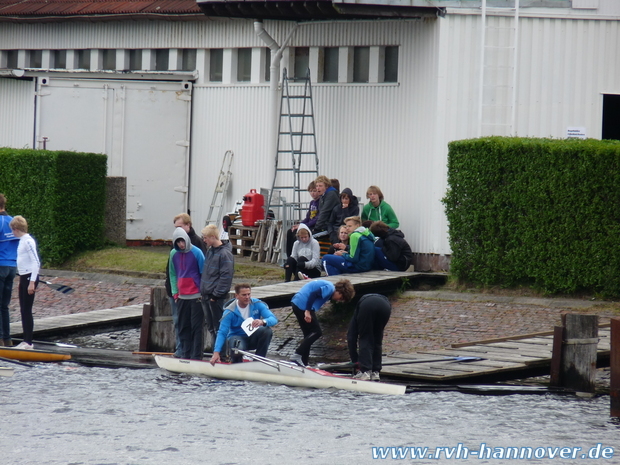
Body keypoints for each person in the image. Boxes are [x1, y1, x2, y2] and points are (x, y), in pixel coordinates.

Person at [165, 213, 207, 357]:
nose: (181, 245)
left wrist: (202, 292)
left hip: (196, 296)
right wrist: (175, 292)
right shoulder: (173, 254)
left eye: (183, 241)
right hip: (181, 296)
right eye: (178, 242)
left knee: (197, 328)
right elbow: (172, 273)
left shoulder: (197, 252)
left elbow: (203, 272)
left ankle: (197, 357)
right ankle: (185, 355)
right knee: (183, 327)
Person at [289, 279, 355, 367]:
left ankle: (303, 363)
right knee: (317, 332)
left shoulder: (328, 286)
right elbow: (313, 294)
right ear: (340, 291)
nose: (339, 300)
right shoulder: (330, 288)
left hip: (296, 303)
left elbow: (314, 288)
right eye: (341, 298)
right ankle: (297, 355)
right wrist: (307, 311)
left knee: (308, 335)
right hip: (303, 305)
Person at [209, 284, 277, 365]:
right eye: (244, 295)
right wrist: (216, 352)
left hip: (253, 337)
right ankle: (236, 362)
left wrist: (263, 322)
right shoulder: (229, 312)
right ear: (237, 296)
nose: (247, 297)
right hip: (237, 338)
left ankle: (259, 362)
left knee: (266, 330)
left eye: (249, 294)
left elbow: (273, 319)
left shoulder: (257, 304)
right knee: (237, 347)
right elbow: (222, 332)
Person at [200, 224, 234, 349]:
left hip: (215, 297)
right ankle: (217, 353)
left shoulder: (225, 254)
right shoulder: (210, 251)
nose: (204, 240)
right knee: (211, 327)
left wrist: (215, 295)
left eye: (206, 238)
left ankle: (222, 354)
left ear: (213, 237)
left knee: (219, 328)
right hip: (206, 295)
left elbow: (226, 277)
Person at [9, 216, 40, 350]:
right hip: (23, 276)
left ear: (16, 229)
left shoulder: (28, 241)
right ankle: (25, 341)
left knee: (26, 310)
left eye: (12, 230)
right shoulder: (21, 241)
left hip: (29, 278)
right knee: (23, 310)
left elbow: (36, 262)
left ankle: (28, 343)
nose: (12, 232)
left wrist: (32, 282)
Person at [347, 293, 392, 381]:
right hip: (386, 305)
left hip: (367, 305)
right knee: (377, 339)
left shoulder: (357, 312)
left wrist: (355, 361)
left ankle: (365, 371)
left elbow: (351, 337)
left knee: (365, 338)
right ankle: (376, 372)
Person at [0, 194, 18, 347]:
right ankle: (7, 340)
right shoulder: (13, 221)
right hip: (12, 267)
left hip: (0, 266)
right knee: (4, 306)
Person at [286, 181, 320, 257]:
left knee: (296, 234)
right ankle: (290, 257)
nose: (312, 193)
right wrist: (300, 224)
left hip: (313, 227)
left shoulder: (321, 202)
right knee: (290, 231)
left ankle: (298, 256)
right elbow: (308, 217)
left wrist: (303, 226)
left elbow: (317, 219)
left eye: (314, 191)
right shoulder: (312, 203)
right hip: (308, 225)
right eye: (310, 191)